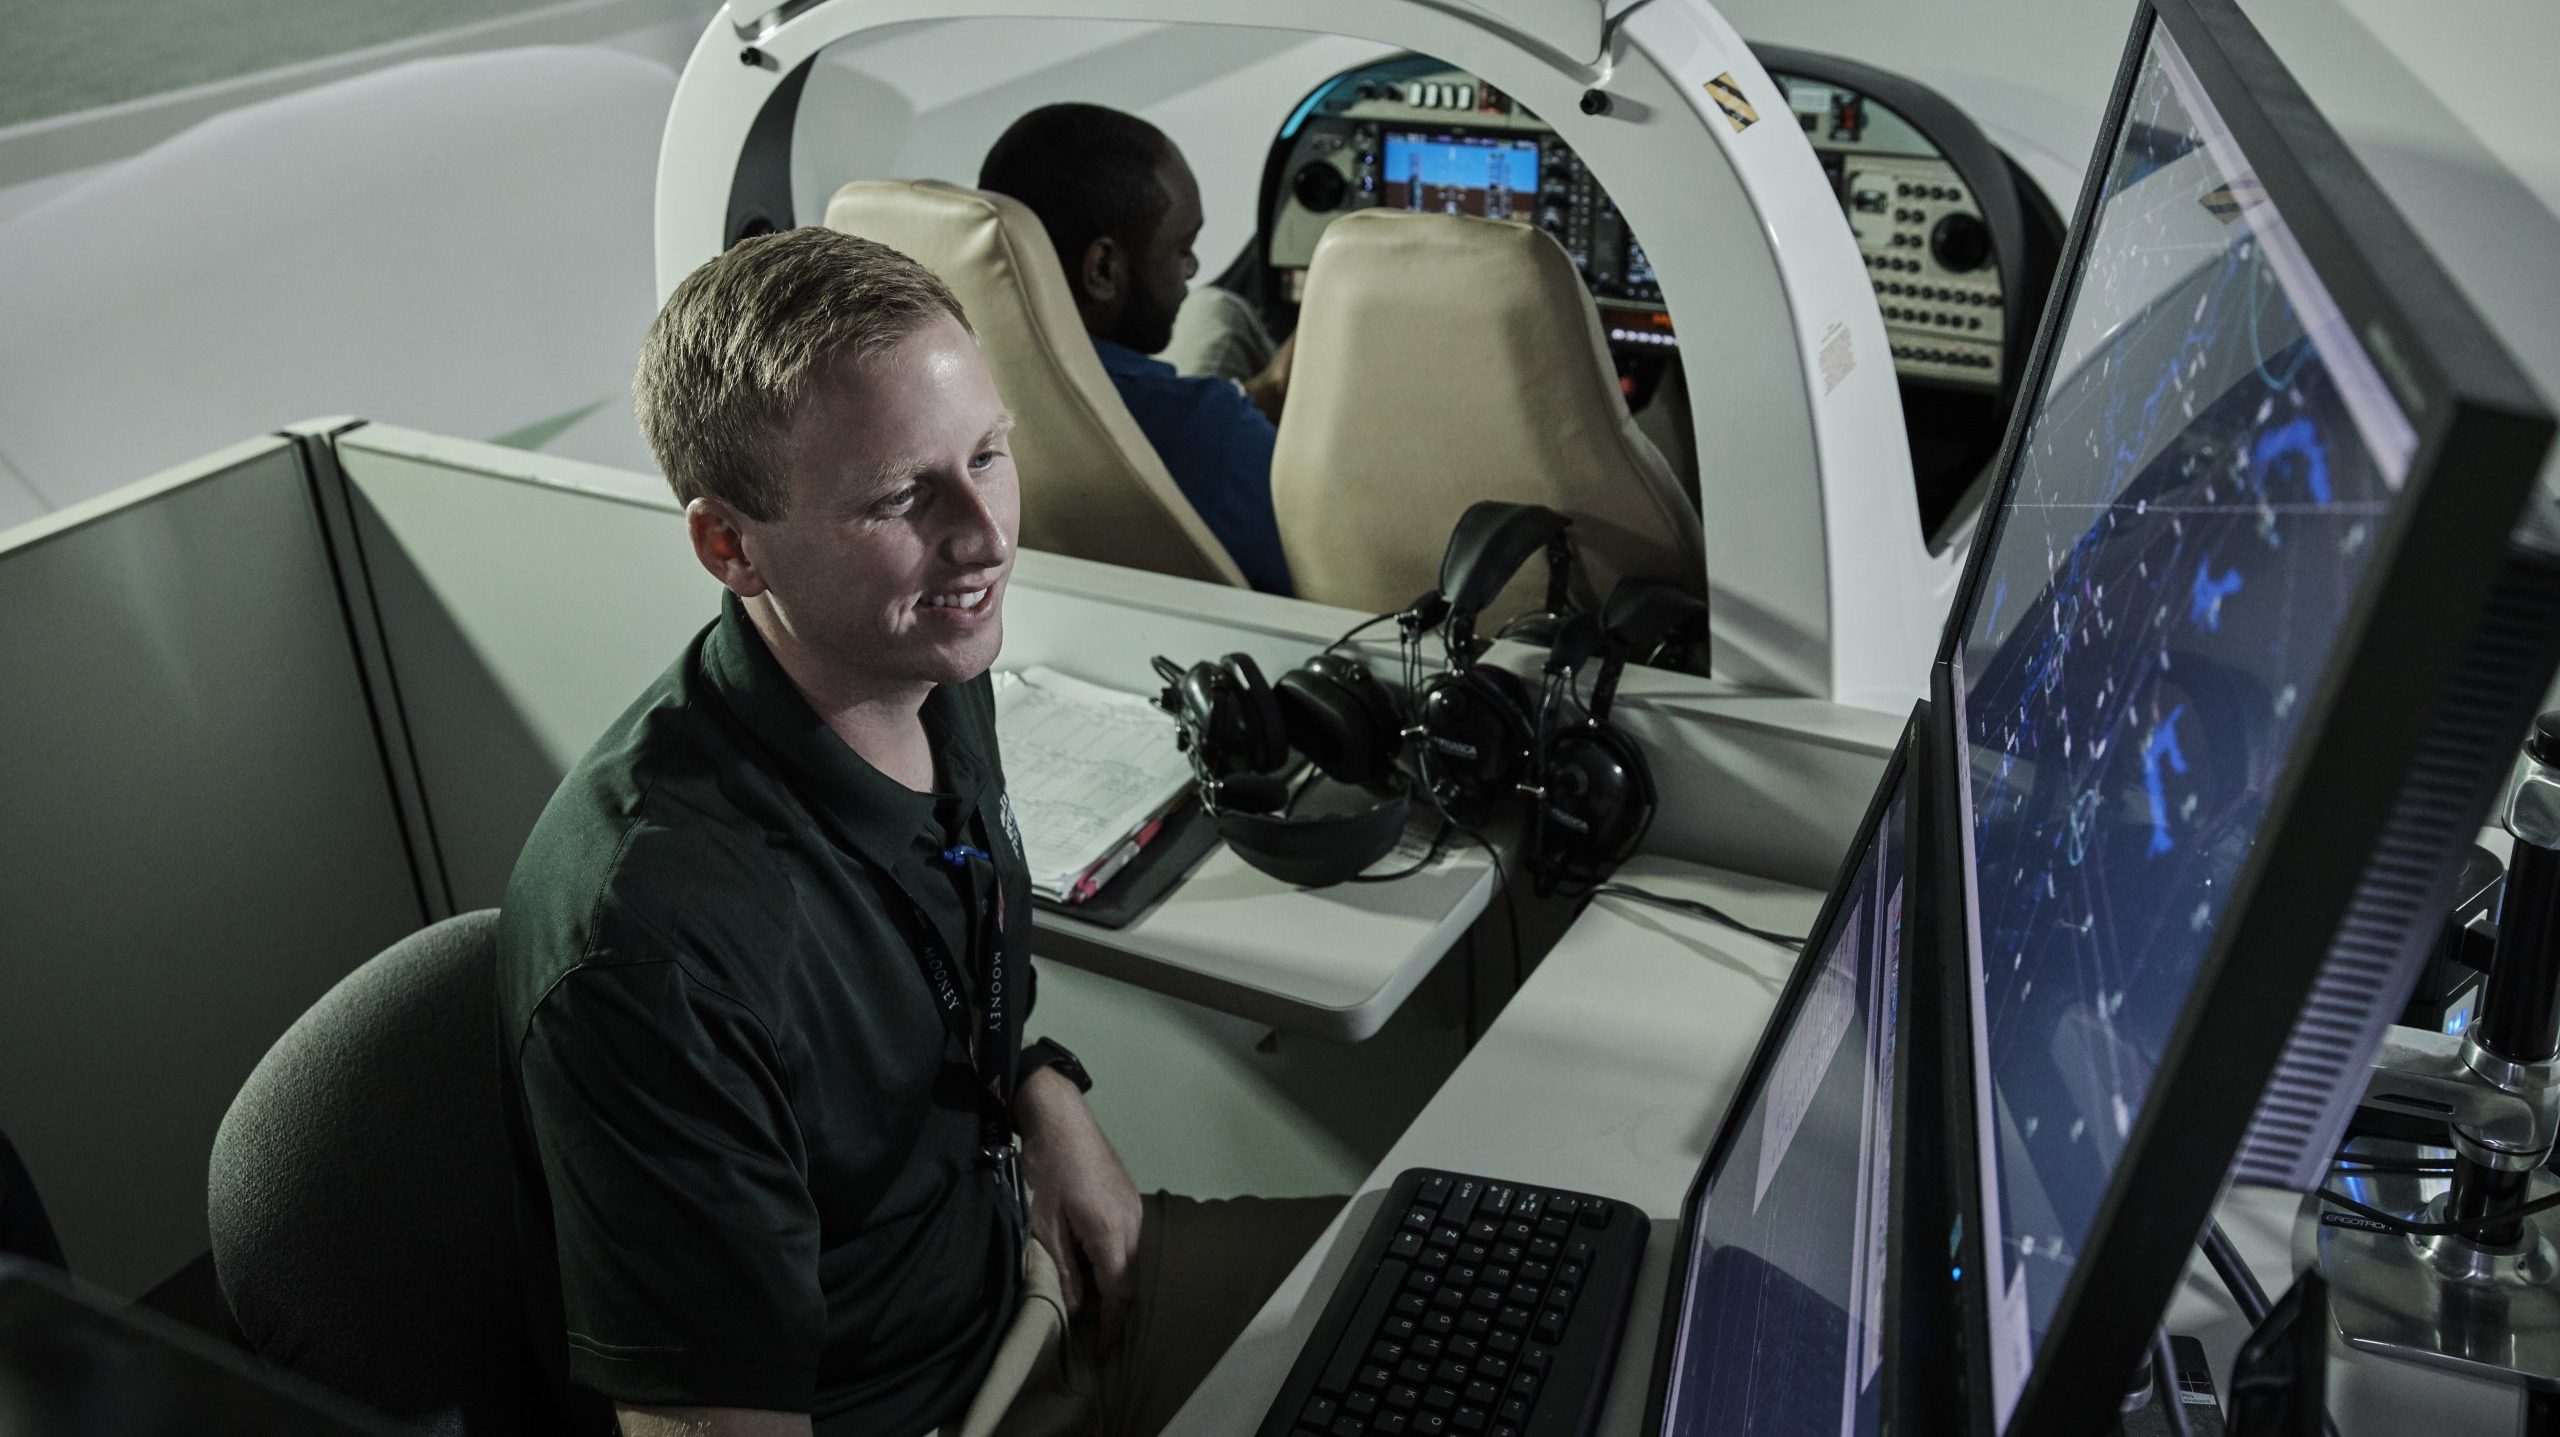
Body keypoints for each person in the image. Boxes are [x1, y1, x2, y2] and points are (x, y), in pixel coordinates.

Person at [496, 226, 1334, 1437]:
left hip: (1031, 1291)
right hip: (909, 1407)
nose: (987, 536)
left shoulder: (930, 670)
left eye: (987, 455)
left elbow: (928, 995)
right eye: (904, 496)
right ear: (730, 545)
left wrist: (1043, 1093)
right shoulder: (657, 946)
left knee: (1481, 1279)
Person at [977, 103, 1298, 598]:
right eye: (1182, 247)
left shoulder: (962, 382)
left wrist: (1254, 398)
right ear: (1102, 268)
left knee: (1216, 309)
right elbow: (1332, 560)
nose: (1191, 268)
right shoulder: (1211, 431)